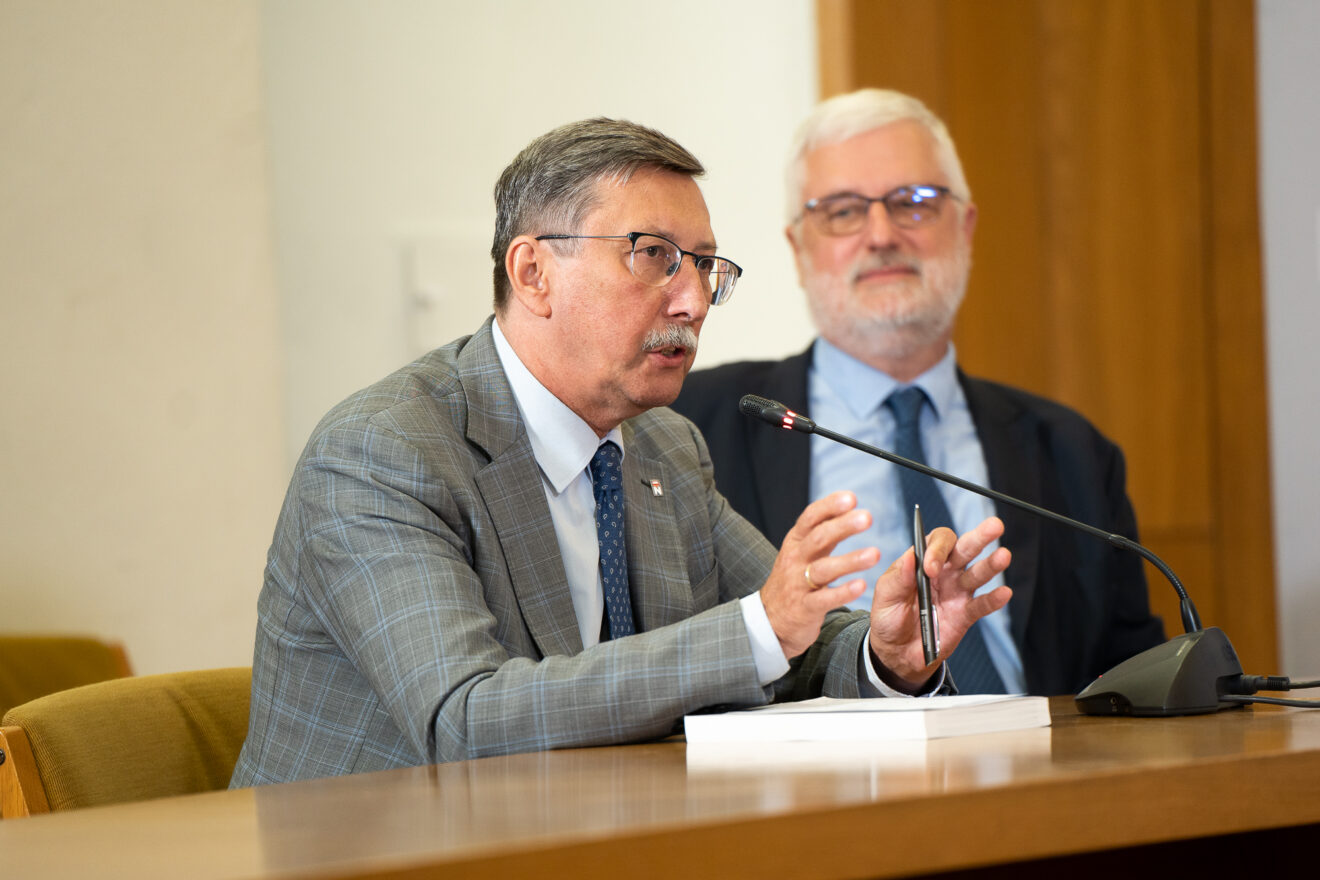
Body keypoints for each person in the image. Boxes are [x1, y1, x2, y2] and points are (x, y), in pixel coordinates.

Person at [230, 117, 1012, 786]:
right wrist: (760, 631)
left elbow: (790, 634)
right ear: (533, 273)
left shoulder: (665, 447)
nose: (693, 300)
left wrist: (886, 652)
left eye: (703, 265)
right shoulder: (383, 452)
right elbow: (465, 721)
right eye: (653, 255)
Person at [671, 89, 1165, 697]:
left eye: (914, 202)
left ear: (966, 227)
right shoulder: (688, 429)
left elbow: (1136, 677)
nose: (881, 235)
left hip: (1038, 751)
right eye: (844, 211)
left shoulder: (1072, 450)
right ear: (798, 250)